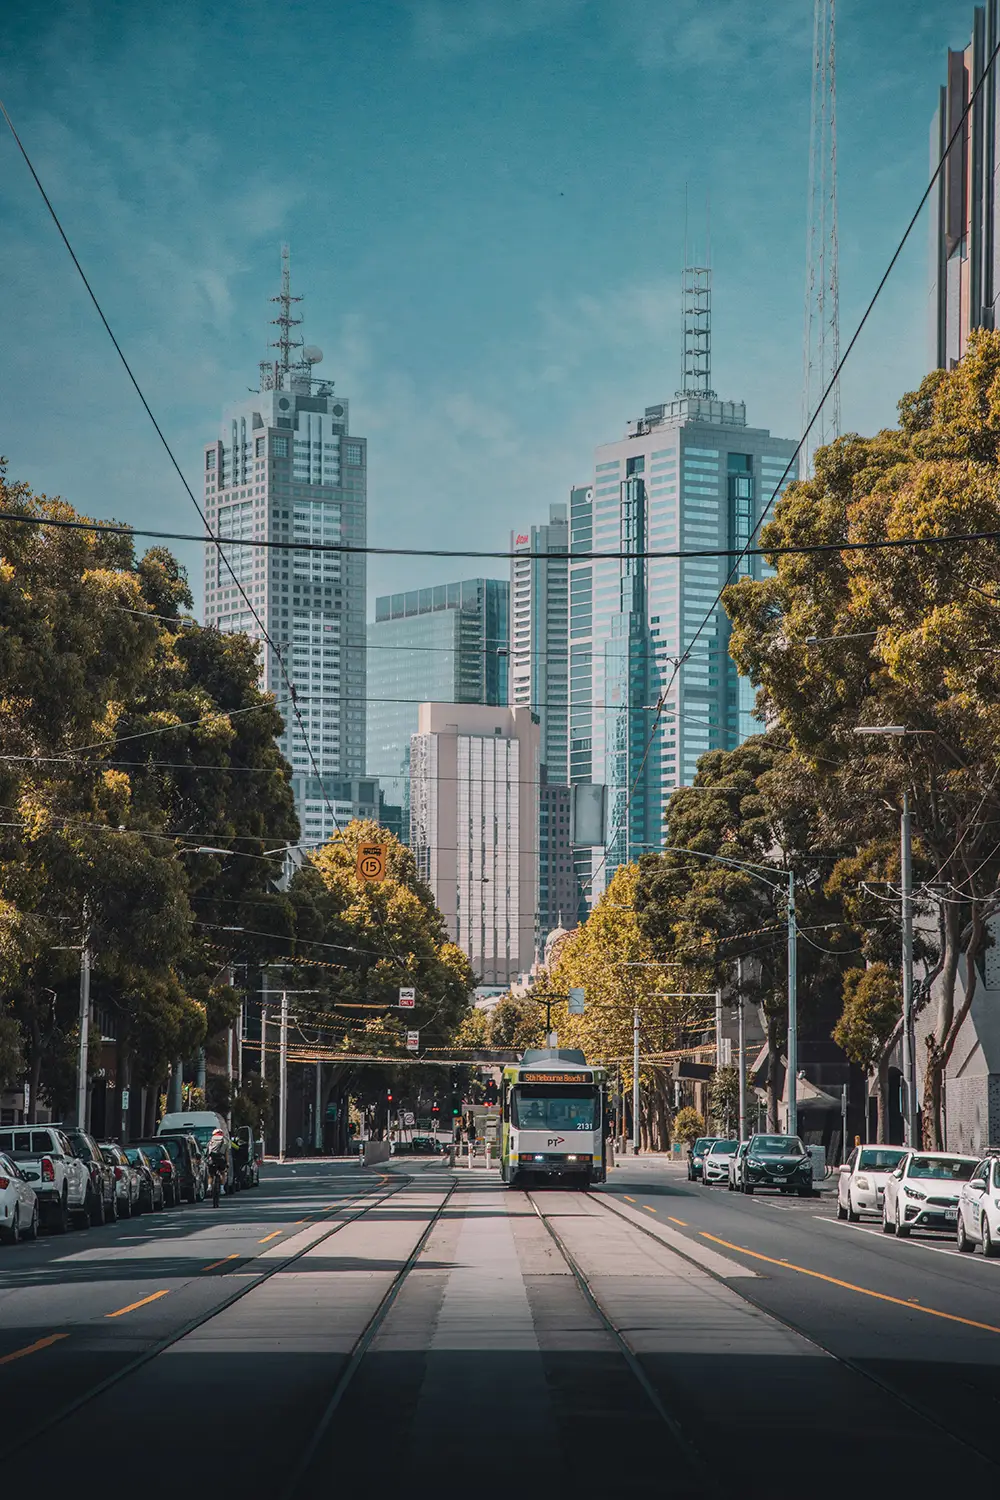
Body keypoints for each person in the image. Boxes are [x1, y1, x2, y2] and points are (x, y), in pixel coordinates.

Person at [208, 1140, 228, 1206]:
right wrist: (227, 1163)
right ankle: (222, 1188)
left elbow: (208, 1153)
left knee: (211, 1174)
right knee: (222, 1172)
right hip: (221, 1160)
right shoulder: (224, 1142)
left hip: (212, 1160)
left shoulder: (211, 1141)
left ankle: (209, 1186)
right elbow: (226, 1154)